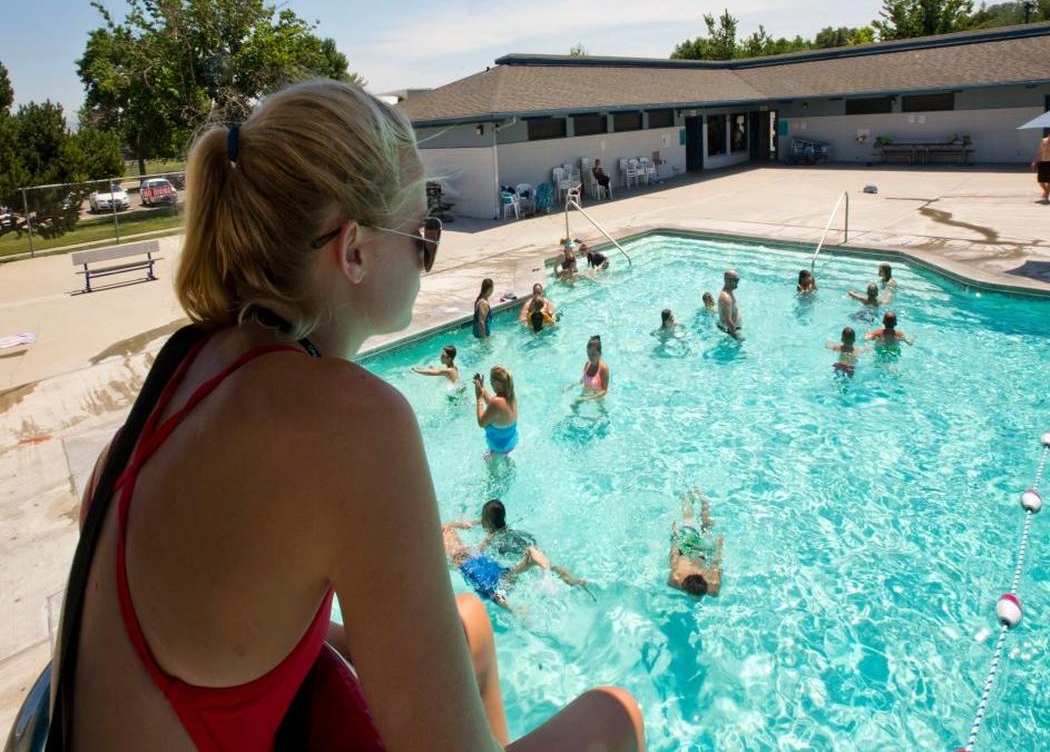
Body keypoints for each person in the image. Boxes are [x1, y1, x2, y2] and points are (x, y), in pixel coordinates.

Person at [58, 78, 643, 751]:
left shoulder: (187, 370)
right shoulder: (355, 426)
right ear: (355, 249)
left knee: (471, 630)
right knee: (614, 715)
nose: (429, 250)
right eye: (424, 229)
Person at [441, 523, 593, 610]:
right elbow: (469, 525)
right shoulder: (449, 529)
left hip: (469, 564)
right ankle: (530, 565)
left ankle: (515, 608)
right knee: (507, 576)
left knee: (496, 593)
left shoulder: (446, 538)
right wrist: (485, 532)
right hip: (478, 559)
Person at [667, 490, 723, 598]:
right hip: (686, 547)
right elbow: (674, 553)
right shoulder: (675, 577)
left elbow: (716, 562)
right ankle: (691, 497)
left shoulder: (713, 584)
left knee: (706, 527)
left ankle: (700, 500)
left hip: (702, 551)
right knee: (689, 519)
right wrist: (675, 535)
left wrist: (719, 545)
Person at [475, 365, 519, 456]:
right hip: (511, 442)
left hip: (498, 447)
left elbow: (481, 423)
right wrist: (482, 388)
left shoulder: (496, 403)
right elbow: (493, 406)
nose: (491, 385)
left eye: (491, 383)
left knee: (489, 465)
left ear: (497, 383)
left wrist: (479, 398)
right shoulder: (511, 396)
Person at [576, 335, 610, 403]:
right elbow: (582, 380)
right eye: (588, 354)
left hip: (597, 397)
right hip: (586, 393)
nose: (590, 357)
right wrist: (571, 386)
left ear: (600, 353)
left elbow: (604, 391)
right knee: (574, 405)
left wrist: (589, 398)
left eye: (593, 354)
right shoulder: (587, 364)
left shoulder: (603, 369)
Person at [717, 270, 743, 340]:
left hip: (731, 329)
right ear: (728, 281)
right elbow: (728, 320)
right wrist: (736, 336)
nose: (738, 282)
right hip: (730, 332)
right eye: (736, 280)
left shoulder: (729, 292)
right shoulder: (726, 297)